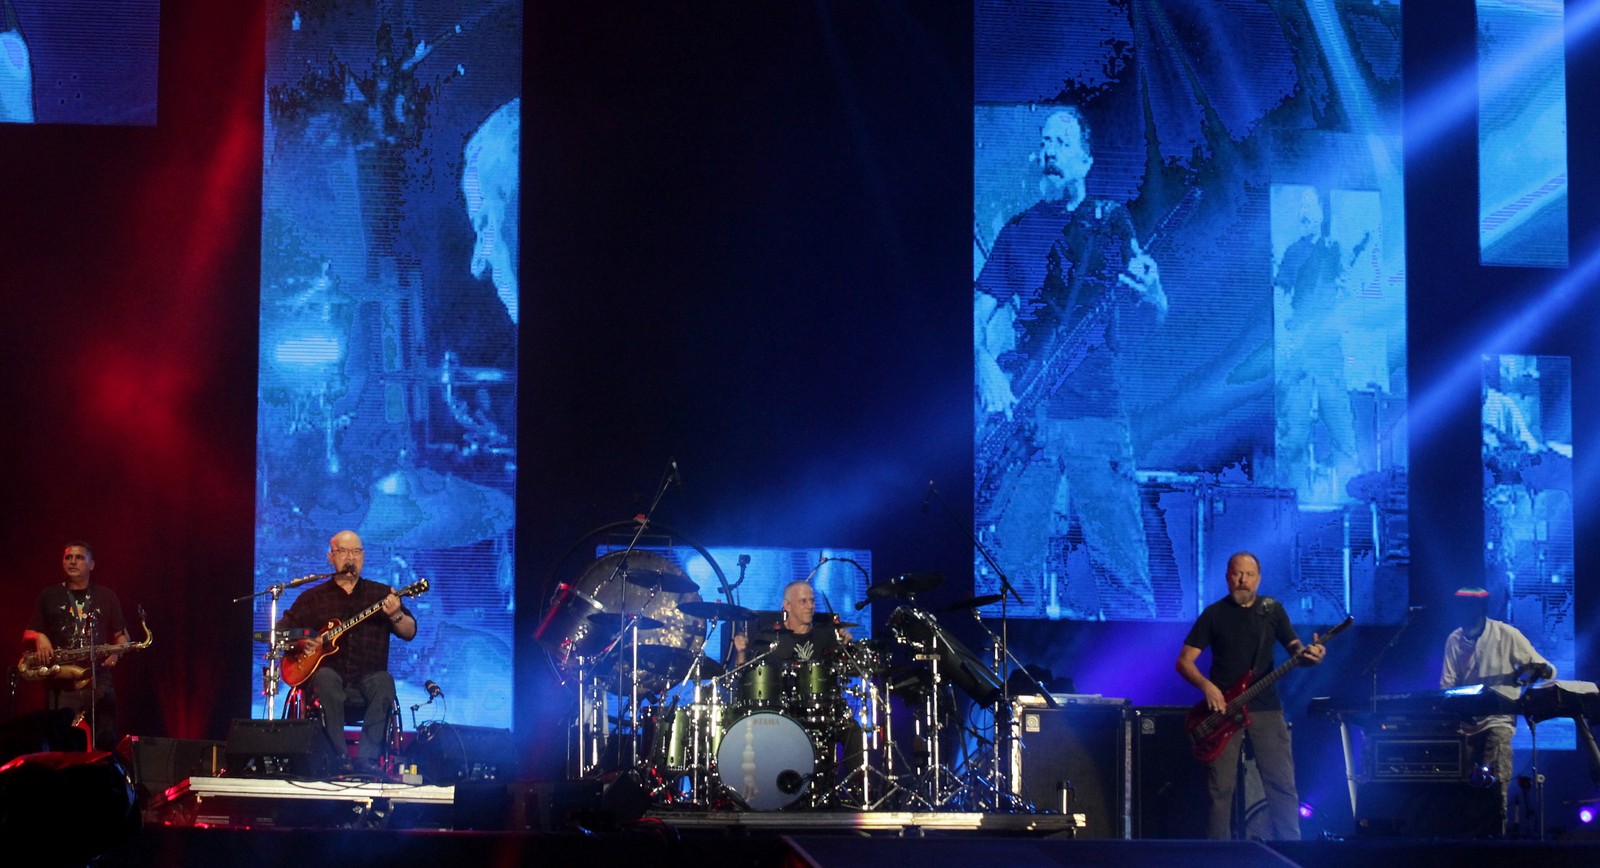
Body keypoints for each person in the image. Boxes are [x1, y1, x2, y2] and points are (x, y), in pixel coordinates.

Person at [975, 105, 1167, 620]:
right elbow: (976, 315)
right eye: (1045, 142)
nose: (1050, 152)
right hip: (1029, 420)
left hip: (1096, 412)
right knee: (1012, 585)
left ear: (1085, 160)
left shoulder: (1111, 222)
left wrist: (1154, 292)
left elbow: (1154, 311)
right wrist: (984, 364)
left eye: (1062, 143)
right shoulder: (1017, 231)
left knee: (1123, 571)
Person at [1175, 551, 1325, 840]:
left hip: (1265, 707)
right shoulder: (1214, 614)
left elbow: (1295, 649)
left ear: (1259, 579)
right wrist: (1208, 687)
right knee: (1220, 790)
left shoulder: (1272, 610)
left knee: (1281, 783)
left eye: (1249, 575)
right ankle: (1218, 854)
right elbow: (1184, 662)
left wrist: (1310, 656)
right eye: (1237, 574)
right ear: (1227, 577)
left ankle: (1291, 850)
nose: (1242, 580)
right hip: (1223, 712)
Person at [278, 530, 417, 775]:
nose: (350, 557)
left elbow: (409, 631)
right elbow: (281, 632)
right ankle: (338, 759)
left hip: (368, 678)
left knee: (384, 681)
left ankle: (367, 761)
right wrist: (301, 643)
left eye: (356, 551)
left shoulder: (381, 594)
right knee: (325, 677)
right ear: (330, 557)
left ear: (363, 556)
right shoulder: (312, 598)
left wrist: (395, 614)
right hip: (328, 682)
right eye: (343, 551)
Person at [1440, 585, 1554, 836]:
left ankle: (1496, 837)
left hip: (1498, 720)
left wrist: (1535, 671)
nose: (1464, 614)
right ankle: (1467, 838)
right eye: (1461, 608)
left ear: (1481, 608)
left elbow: (1545, 668)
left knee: (1495, 780)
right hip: (1466, 725)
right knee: (1464, 785)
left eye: (1470, 608)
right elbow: (1447, 685)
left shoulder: (1506, 635)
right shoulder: (1454, 640)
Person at [22, 542, 129, 750]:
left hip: (98, 680)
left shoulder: (107, 595)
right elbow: (28, 633)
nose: (73, 561)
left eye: (79, 557)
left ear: (91, 565)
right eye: (68, 557)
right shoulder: (49, 595)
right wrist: (39, 637)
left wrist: (117, 653)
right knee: (61, 743)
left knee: (104, 741)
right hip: (61, 683)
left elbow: (122, 636)